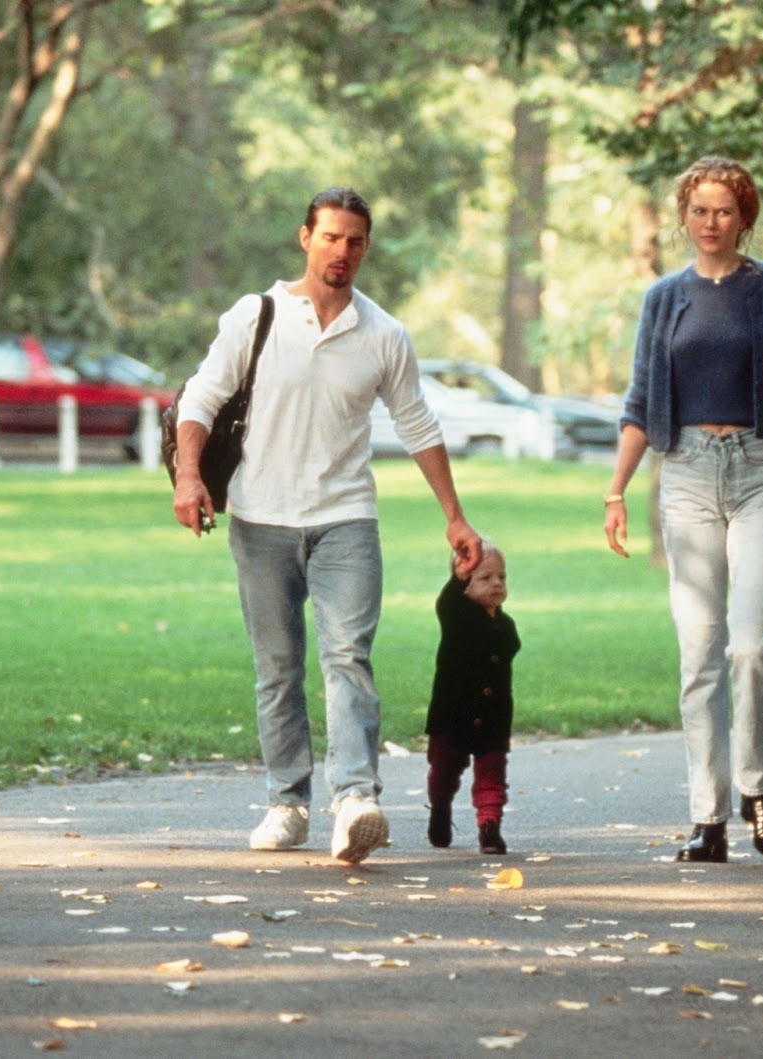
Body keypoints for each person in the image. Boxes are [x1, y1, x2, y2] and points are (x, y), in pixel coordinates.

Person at [173, 187, 483, 865]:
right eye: (332, 237)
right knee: (278, 667)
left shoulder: (383, 334)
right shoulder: (256, 316)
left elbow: (418, 424)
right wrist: (189, 476)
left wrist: (454, 516)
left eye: (356, 241)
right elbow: (200, 397)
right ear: (306, 238)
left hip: (346, 519)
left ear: (367, 248)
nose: (343, 252)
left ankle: (354, 800)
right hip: (260, 520)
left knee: (348, 656)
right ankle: (287, 802)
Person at [602, 156, 763, 865]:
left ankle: (756, 788)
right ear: (684, 217)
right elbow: (642, 401)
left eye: (725, 211)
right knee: (699, 651)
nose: (712, 223)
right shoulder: (664, 298)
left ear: (745, 217)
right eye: (700, 210)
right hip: (685, 475)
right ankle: (708, 818)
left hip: (762, 470)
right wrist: (617, 489)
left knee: (753, 643)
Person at [424, 541, 520, 856]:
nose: (497, 583)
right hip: (453, 714)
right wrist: (457, 578)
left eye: (502, 577)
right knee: (444, 772)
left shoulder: (506, 626)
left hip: (494, 716)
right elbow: (448, 600)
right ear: (465, 587)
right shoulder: (456, 615)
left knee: (493, 774)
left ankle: (489, 826)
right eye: (485, 578)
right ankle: (440, 808)